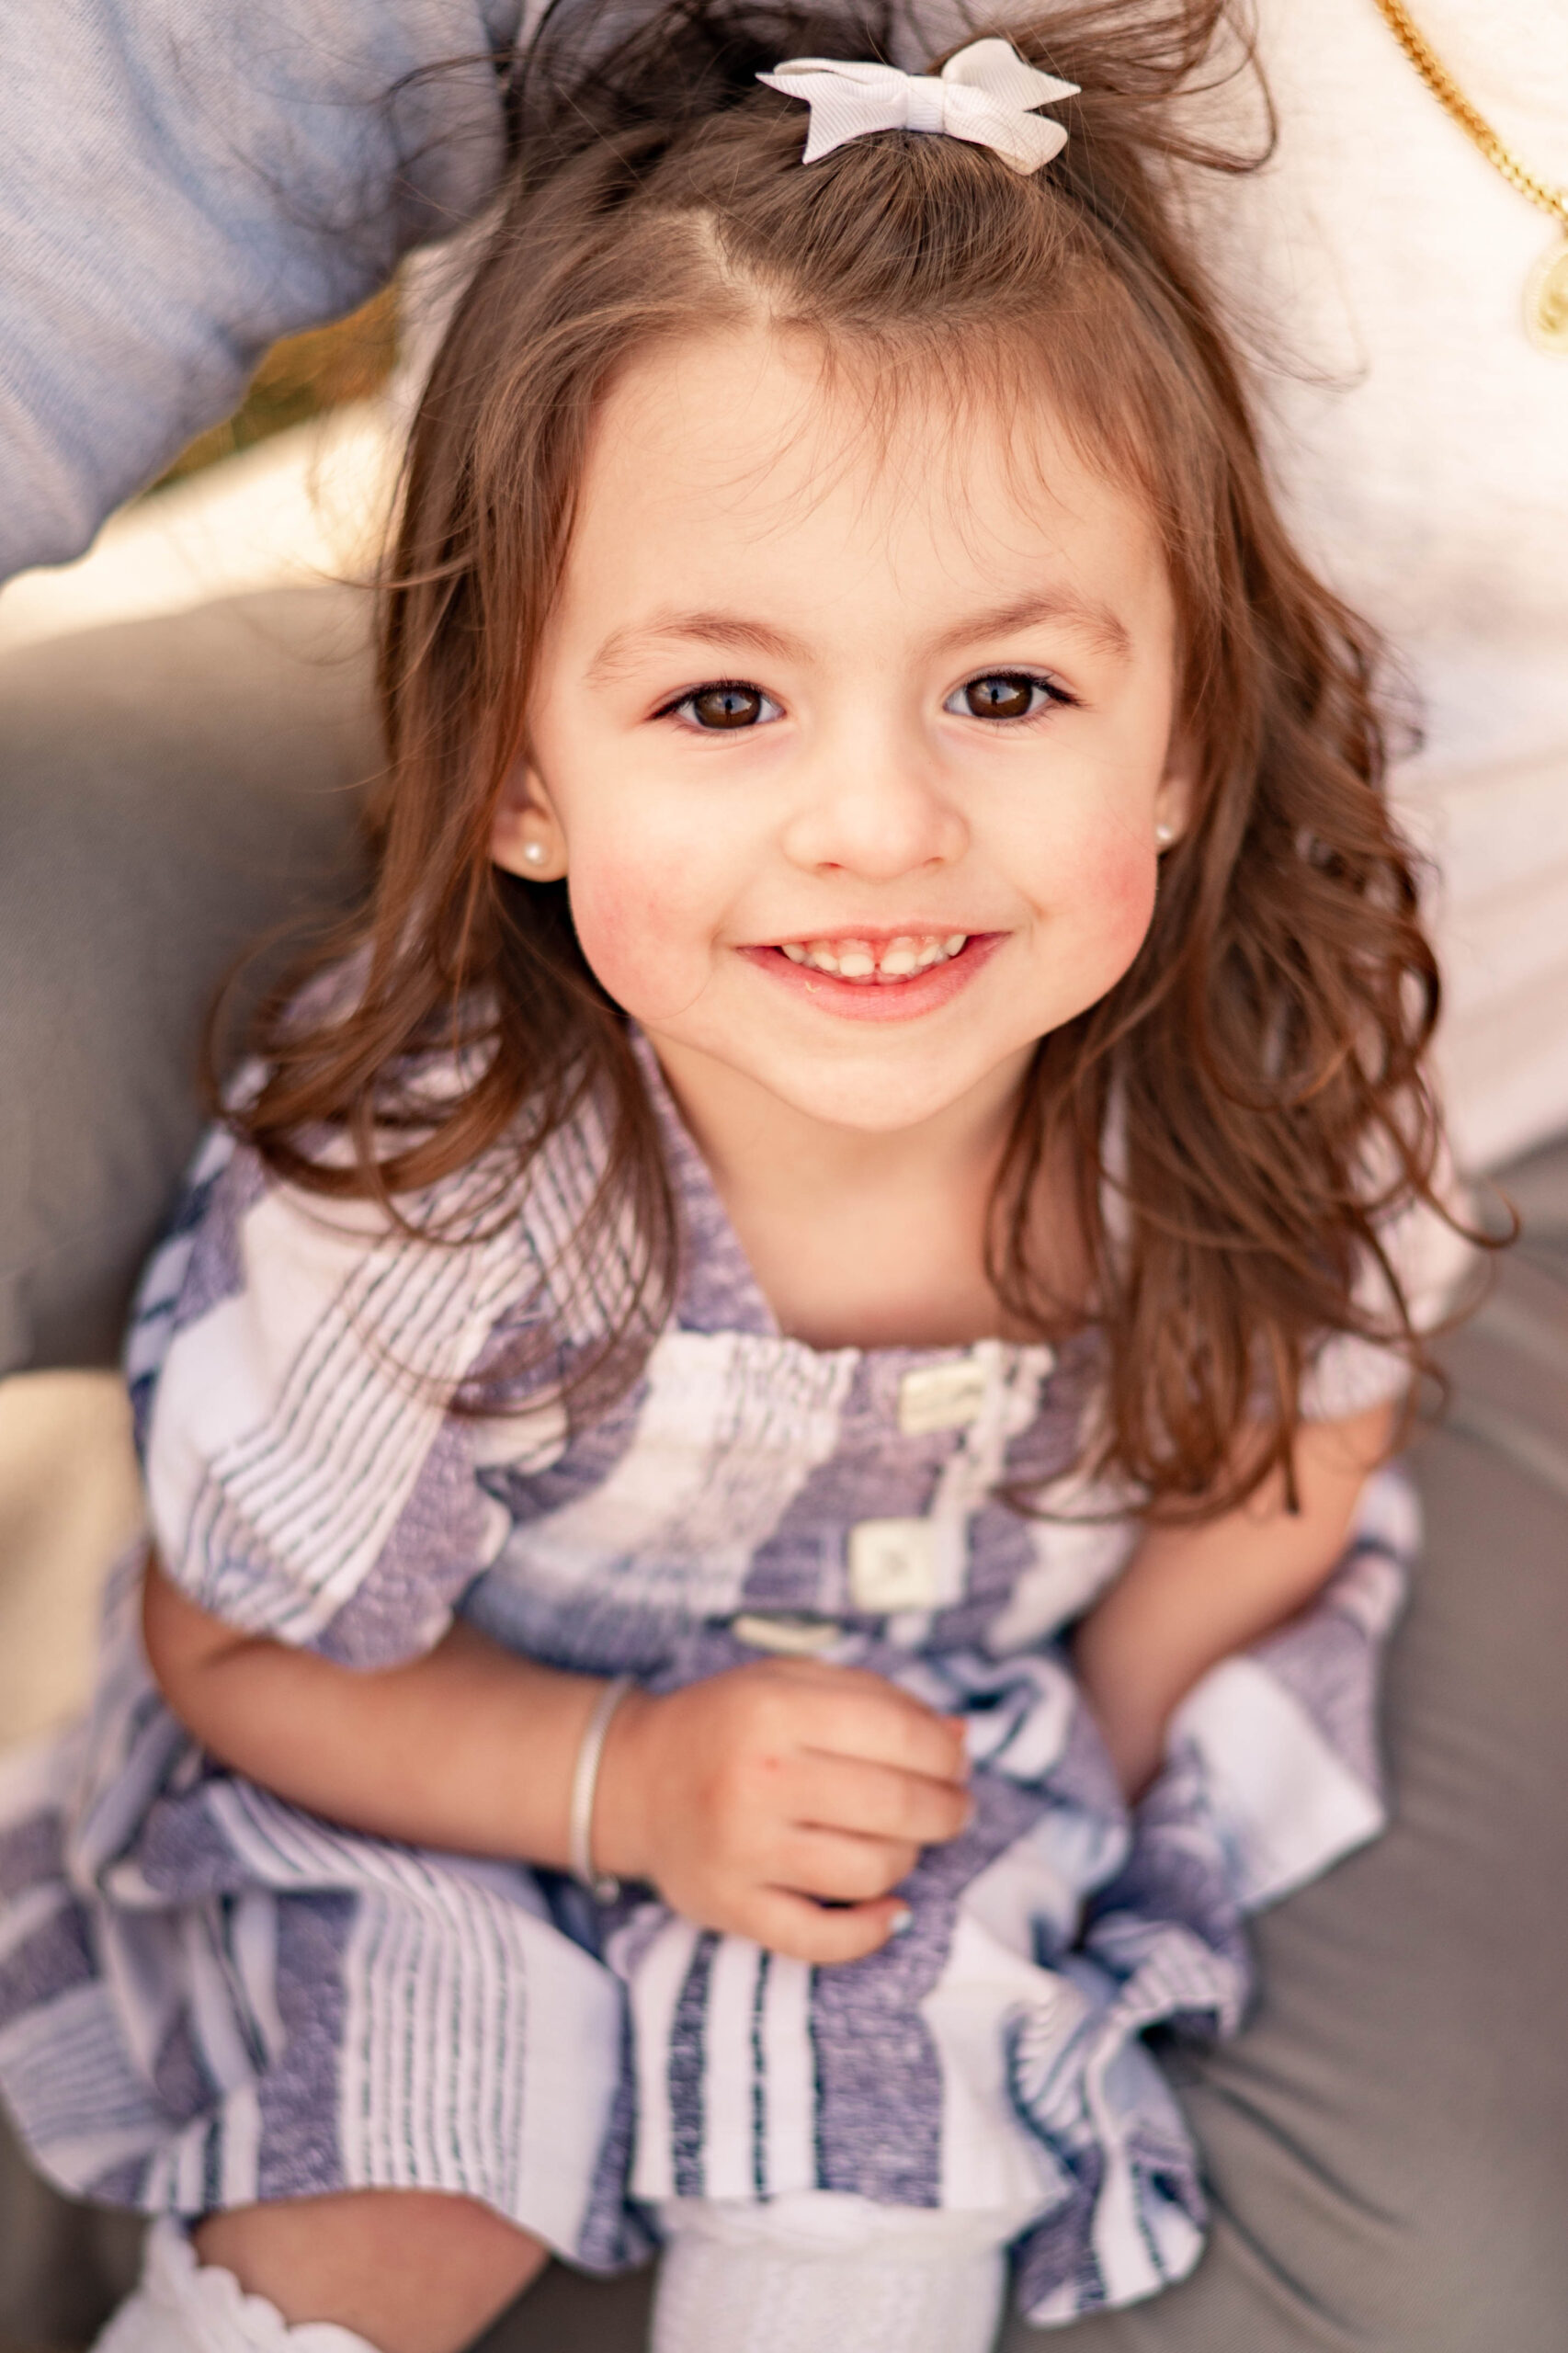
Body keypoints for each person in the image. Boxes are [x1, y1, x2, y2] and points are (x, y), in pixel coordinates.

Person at [0, 6, 1478, 2349]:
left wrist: (1068, 1765)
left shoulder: (1253, 1094)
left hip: (907, 1778)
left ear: (1185, 732)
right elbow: (245, 1640)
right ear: (514, 776)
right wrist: (620, 1778)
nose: (875, 823)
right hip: (449, 1753)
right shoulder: (452, 1191)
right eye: (720, 704)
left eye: (1006, 693)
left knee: (882, 2191)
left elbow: (1300, 1448)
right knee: (405, 2175)